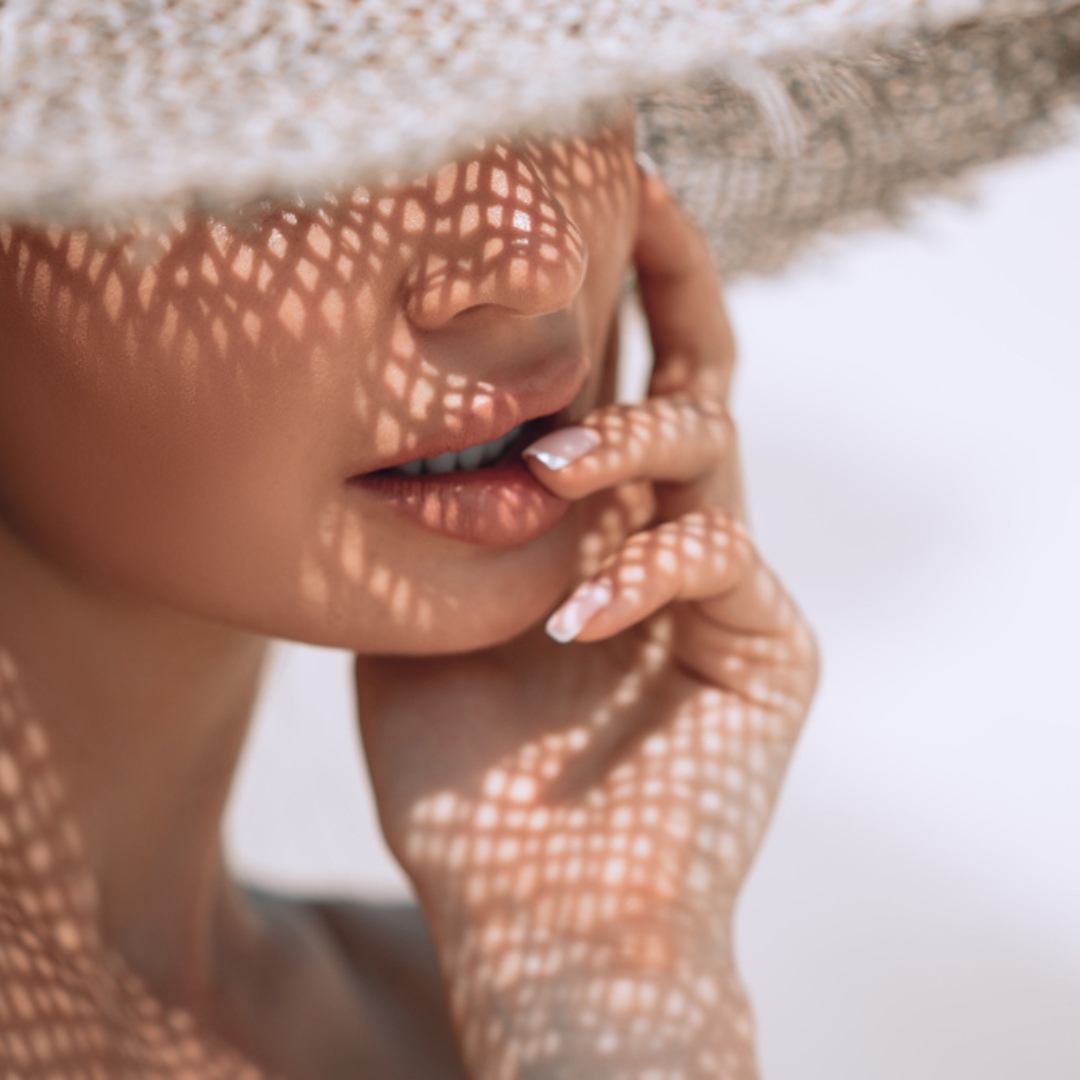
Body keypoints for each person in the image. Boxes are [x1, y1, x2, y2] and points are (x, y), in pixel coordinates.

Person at [0, 4, 1076, 1079]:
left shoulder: (462, 1018)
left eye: (559, 90)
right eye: (312, 125)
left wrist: (611, 965)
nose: (538, 263)